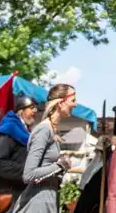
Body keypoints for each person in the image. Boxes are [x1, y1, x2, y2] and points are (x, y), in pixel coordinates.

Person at [14, 84, 77, 213]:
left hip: (46, 200)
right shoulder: (44, 130)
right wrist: (60, 166)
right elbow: (29, 175)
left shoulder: (52, 130)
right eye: (73, 100)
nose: (75, 105)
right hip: (37, 203)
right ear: (60, 103)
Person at [0, 95, 38, 213]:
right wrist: (29, 171)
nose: (35, 111)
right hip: (2, 196)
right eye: (31, 108)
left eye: (36, 108)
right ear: (21, 111)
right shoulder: (9, 129)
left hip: (16, 193)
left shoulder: (25, 132)